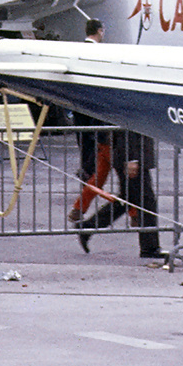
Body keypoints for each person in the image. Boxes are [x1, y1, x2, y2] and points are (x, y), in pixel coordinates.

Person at [76, 127, 163, 260]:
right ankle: (149, 247)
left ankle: (88, 227)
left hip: (129, 155)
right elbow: (128, 126)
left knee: (128, 199)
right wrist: (132, 158)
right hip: (130, 156)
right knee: (146, 201)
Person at [69, 20, 114, 223]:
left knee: (85, 143)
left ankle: (86, 171)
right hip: (93, 107)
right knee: (97, 146)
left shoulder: (78, 50)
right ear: (99, 31)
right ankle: (87, 173)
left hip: (79, 107)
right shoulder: (98, 53)